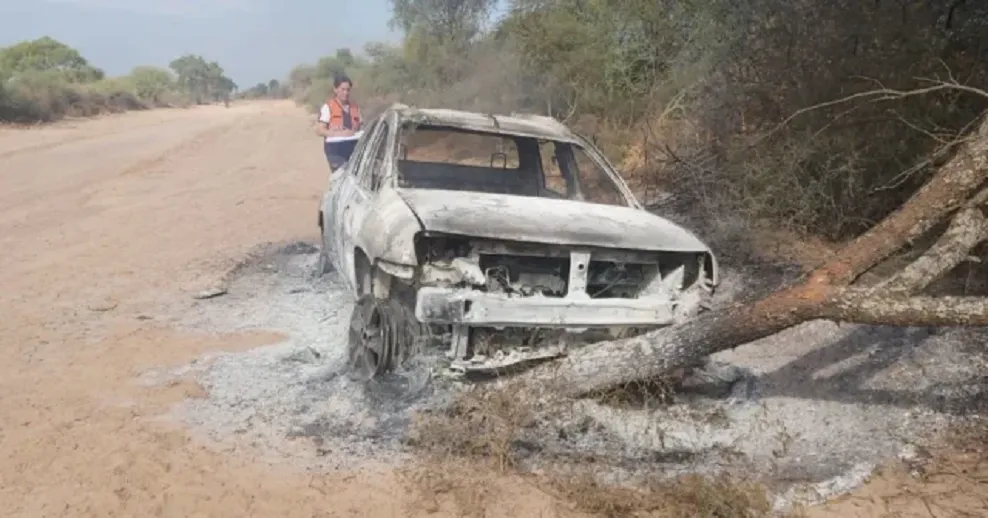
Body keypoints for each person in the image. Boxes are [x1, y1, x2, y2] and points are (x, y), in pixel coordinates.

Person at [316, 74, 363, 171]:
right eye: (343, 89)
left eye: (348, 90)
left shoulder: (355, 107)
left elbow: (360, 125)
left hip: (353, 149)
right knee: (341, 176)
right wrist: (337, 133)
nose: (345, 93)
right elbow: (319, 130)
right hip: (335, 151)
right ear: (335, 89)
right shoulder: (328, 107)